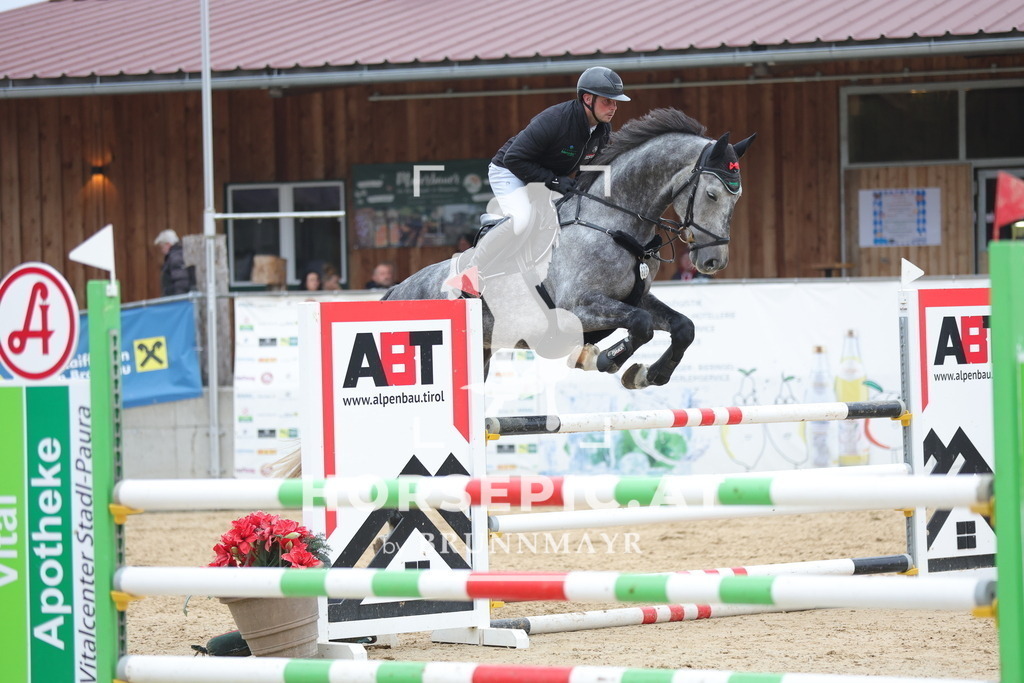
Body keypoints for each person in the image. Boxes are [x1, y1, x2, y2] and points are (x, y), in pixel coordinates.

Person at [447, 66, 630, 296]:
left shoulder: (602, 130)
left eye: (615, 102)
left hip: (542, 178)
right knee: (522, 220)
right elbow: (515, 158)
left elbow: (589, 170)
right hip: (509, 171)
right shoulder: (555, 121)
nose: (613, 108)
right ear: (587, 98)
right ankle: (471, 274)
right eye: (608, 101)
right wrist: (554, 181)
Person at [153, 229, 192, 296]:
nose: (162, 251)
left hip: (177, 301)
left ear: (168, 244)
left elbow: (181, 281)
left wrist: (178, 301)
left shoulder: (175, 258)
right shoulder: (178, 255)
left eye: (162, 247)